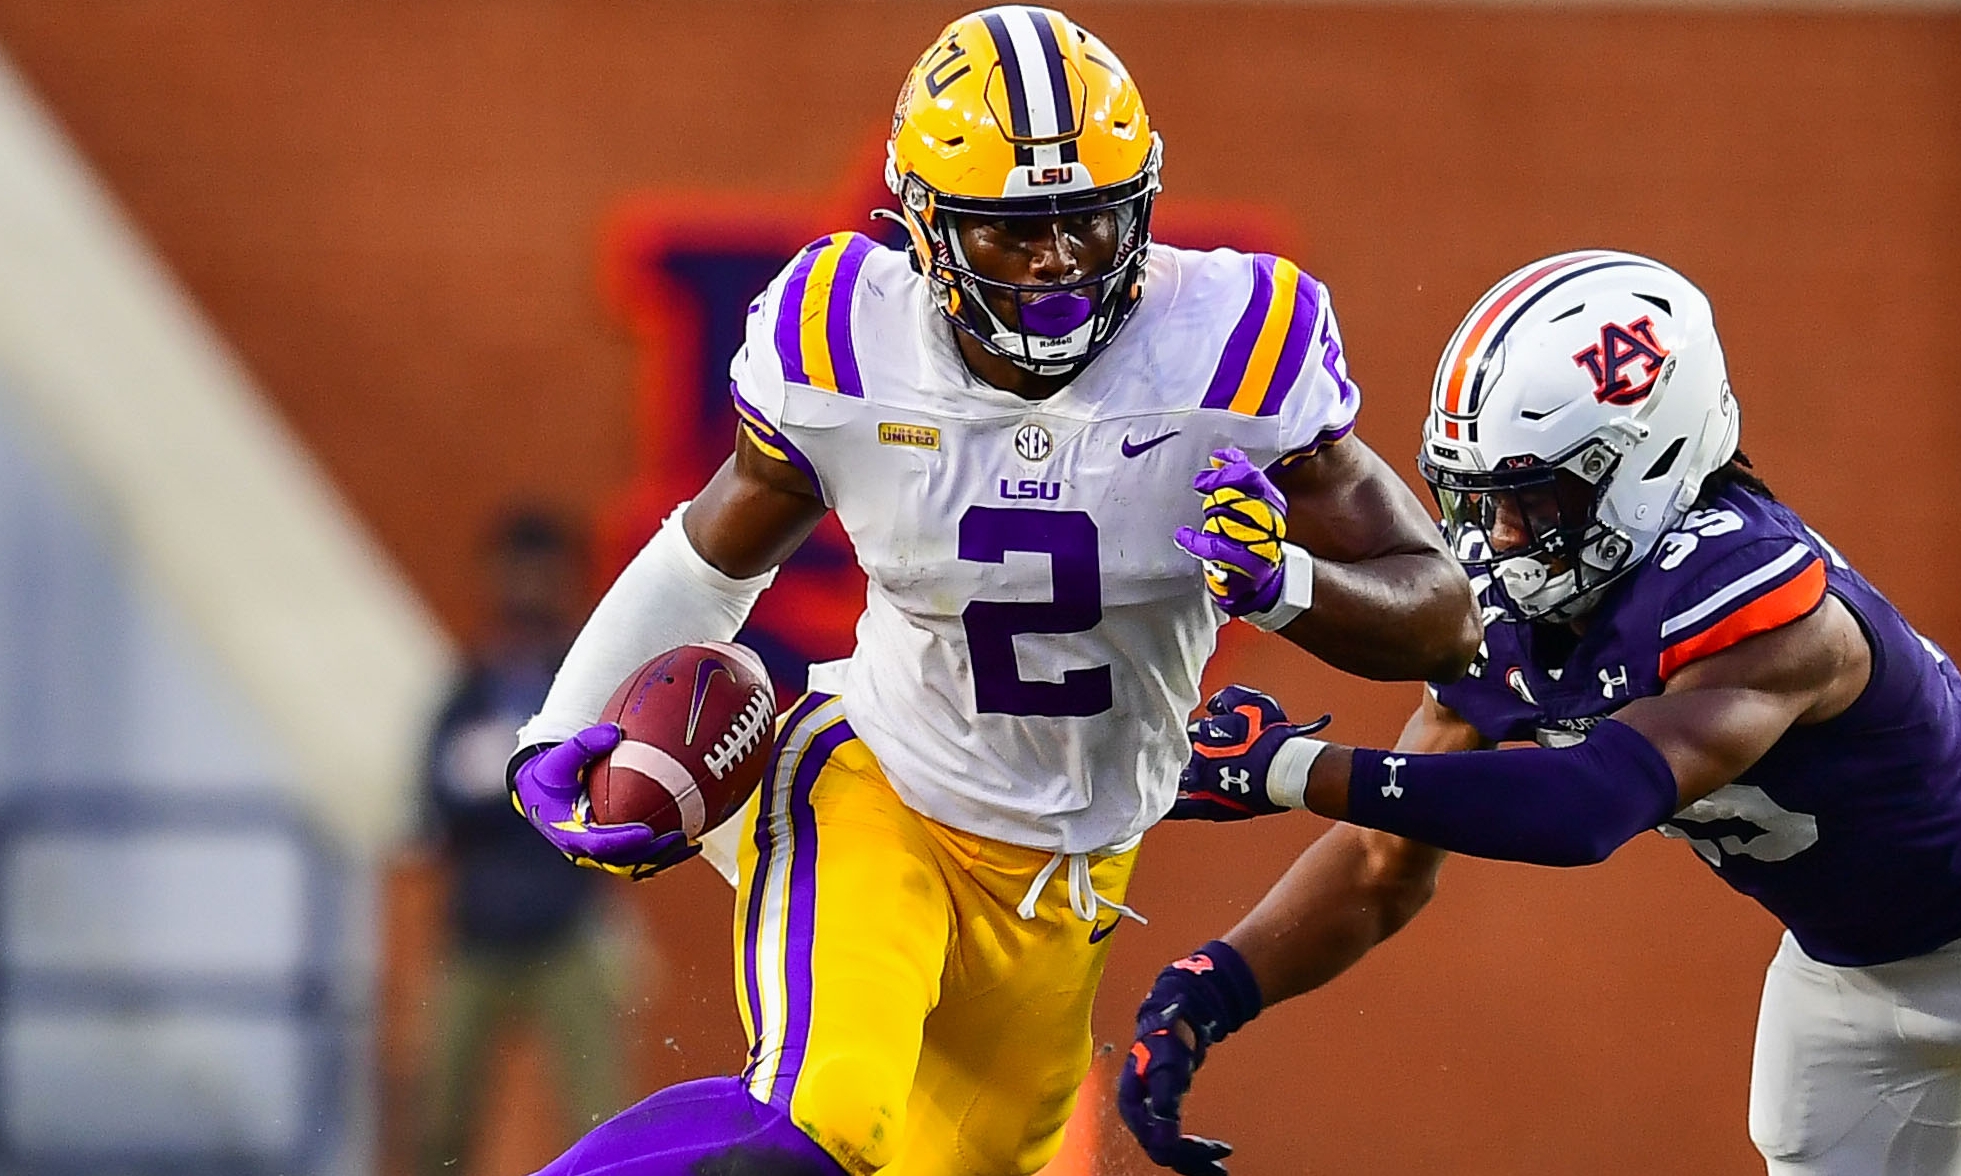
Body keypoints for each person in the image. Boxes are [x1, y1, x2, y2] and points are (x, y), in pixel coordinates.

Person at [500, 7, 1482, 1175]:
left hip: (1069, 878)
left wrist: (1285, 585)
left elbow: (1443, 615)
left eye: (1087, 217)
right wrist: (562, 729)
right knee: (822, 1122)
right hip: (879, 789)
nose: (1060, 257)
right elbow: (710, 556)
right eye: (1016, 232)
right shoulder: (847, 346)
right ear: (925, 226)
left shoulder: (1228, 348)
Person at [1119, 250, 1961, 1176]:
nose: (1491, 539)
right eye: (1472, 498)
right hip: (1852, 975)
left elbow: (1587, 808)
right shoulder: (1523, 603)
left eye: (1530, 504)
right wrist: (1207, 991)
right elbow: (1382, 863)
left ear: (1648, 460)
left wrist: (1289, 769)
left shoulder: (1761, 599)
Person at [417, 509, 629, 1171]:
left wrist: (501, 780)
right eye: (516, 572)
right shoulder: (469, 686)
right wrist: (495, 785)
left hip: (566, 932)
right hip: (476, 936)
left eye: (541, 574)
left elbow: (613, 801)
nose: (527, 590)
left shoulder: (583, 683)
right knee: (440, 1123)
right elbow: (432, 800)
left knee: (600, 1115)